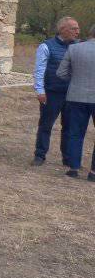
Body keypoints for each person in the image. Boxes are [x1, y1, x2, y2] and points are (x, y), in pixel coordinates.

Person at [32, 16, 80, 166]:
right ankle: (40, 155)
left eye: (78, 28)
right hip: (52, 93)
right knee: (46, 125)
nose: (77, 32)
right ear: (63, 29)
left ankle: (68, 158)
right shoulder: (46, 46)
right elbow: (39, 70)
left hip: (72, 94)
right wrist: (40, 90)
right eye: (74, 28)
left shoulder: (79, 46)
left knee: (70, 127)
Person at [57, 24, 95, 179]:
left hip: (76, 96)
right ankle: (93, 172)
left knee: (75, 133)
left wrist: (74, 81)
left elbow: (61, 73)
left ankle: (73, 168)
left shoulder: (74, 48)